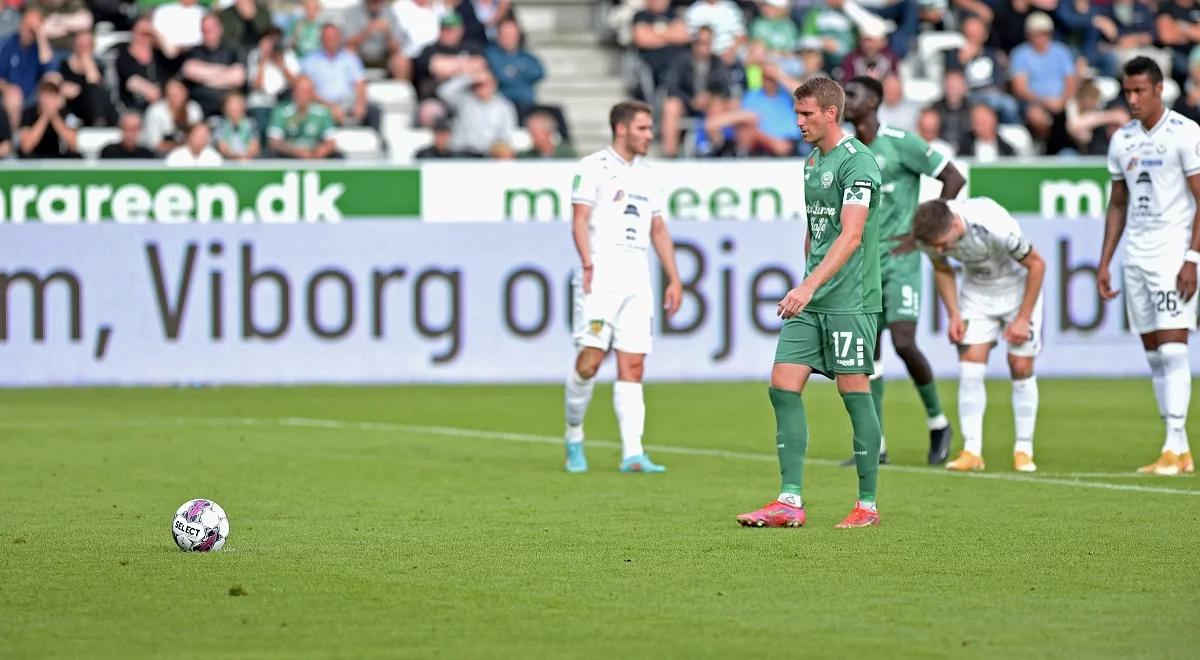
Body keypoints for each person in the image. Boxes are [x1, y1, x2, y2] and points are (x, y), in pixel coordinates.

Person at [736, 77, 884, 530]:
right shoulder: (812, 161)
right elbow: (815, 230)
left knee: (853, 393)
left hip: (850, 300)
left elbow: (852, 235)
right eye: (797, 114)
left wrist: (809, 286)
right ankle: (789, 500)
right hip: (814, 296)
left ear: (831, 113)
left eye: (806, 115)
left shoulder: (859, 165)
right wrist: (807, 281)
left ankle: (867, 507)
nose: (798, 123)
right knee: (782, 385)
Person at [840, 75, 964, 466]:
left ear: (874, 100)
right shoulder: (844, 150)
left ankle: (938, 422)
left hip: (901, 261)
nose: (847, 102)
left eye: (854, 95)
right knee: (867, 356)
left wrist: (922, 233)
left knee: (905, 342)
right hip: (863, 263)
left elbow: (953, 178)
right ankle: (876, 446)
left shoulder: (900, 141)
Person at [563, 100, 683, 474]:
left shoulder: (649, 176)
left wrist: (674, 277)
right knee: (590, 362)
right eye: (644, 128)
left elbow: (658, 229)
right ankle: (574, 435)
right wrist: (587, 262)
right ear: (622, 129)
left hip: (637, 280)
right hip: (600, 277)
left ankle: (633, 452)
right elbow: (580, 219)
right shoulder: (592, 168)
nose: (651, 135)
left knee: (633, 364)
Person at [1098, 57, 1200, 476]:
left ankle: (1174, 447)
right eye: (1128, 92)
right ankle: (1178, 449)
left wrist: (1192, 258)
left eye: (1140, 91)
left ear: (1160, 89)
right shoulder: (1122, 138)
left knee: (1175, 349)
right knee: (1155, 355)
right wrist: (1105, 261)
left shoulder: (1186, 133)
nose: (1133, 99)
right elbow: (1117, 203)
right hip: (1135, 256)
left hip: (1173, 252)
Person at [911, 197, 1046, 473]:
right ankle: (972, 451)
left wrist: (1022, 318)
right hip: (977, 294)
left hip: (1017, 289)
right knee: (970, 368)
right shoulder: (930, 236)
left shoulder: (994, 225)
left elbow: (1037, 265)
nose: (938, 249)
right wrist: (954, 315)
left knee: (1020, 365)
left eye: (941, 242)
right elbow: (942, 268)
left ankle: (1024, 449)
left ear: (954, 223)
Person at [0, 7, 53, 136]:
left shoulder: (41, 47)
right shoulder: (7, 45)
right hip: (11, 95)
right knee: (14, 97)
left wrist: (40, 35)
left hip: (35, 95)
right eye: (26, 26)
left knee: (53, 89)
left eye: (33, 29)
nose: (28, 32)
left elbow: (49, 69)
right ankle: (10, 143)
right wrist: (7, 88)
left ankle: (54, 147)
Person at [181, 14, 245, 117]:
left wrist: (204, 75)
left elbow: (238, 78)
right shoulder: (194, 51)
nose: (208, 33)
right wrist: (225, 73)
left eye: (211, 29)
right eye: (205, 30)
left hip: (225, 103)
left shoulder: (232, 50)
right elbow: (189, 70)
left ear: (220, 29)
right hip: (199, 103)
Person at [266, 74, 338, 159]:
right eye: (299, 91)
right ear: (293, 92)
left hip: (315, 156)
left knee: (338, 156)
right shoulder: (282, 112)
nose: (302, 96)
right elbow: (274, 142)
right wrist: (296, 151)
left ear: (312, 93)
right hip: (288, 157)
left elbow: (331, 141)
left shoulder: (322, 112)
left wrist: (321, 151)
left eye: (306, 92)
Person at [57, 30, 116, 127]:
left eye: (86, 46)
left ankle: (98, 123)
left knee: (94, 90)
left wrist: (87, 61)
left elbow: (95, 83)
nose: (82, 50)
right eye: (80, 45)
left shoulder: (98, 67)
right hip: (70, 105)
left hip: (89, 107)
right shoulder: (63, 65)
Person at [18, 78, 78, 158]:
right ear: (39, 96)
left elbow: (73, 144)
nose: (48, 100)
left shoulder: (65, 113)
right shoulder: (28, 113)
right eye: (46, 95)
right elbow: (26, 147)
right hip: (34, 159)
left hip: (58, 157)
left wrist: (55, 117)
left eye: (52, 95)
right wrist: (44, 117)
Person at [141, 76, 202, 154]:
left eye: (178, 93)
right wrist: (180, 147)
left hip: (189, 154)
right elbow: (154, 144)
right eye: (172, 94)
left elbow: (198, 138)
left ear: (185, 93)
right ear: (166, 95)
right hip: (159, 156)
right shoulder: (155, 111)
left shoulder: (193, 108)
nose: (175, 97)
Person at [213, 92, 258, 160]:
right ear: (224, 107)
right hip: (226, 161)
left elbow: (254, 147)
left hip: (247, 161)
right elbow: (222, 147)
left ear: (243, 107)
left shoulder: (251, 124)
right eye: (230, 105)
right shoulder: (219, 124)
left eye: (237, 105)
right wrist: (235, 157)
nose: (234, 108)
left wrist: (244, 157)